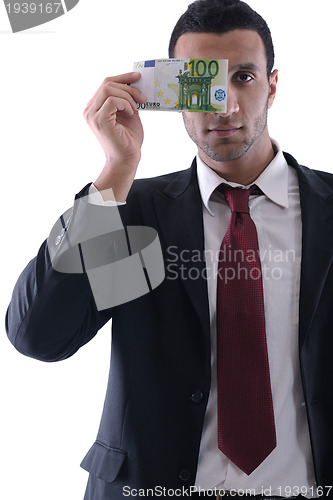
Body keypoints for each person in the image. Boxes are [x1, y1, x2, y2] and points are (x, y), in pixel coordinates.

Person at [6, 0, 333, 498]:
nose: (224, 105)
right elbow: (40, 335)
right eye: (203, 84)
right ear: (173, 93)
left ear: (273, 86)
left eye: (244, 77)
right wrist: (116, 173)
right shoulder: (136, 215)